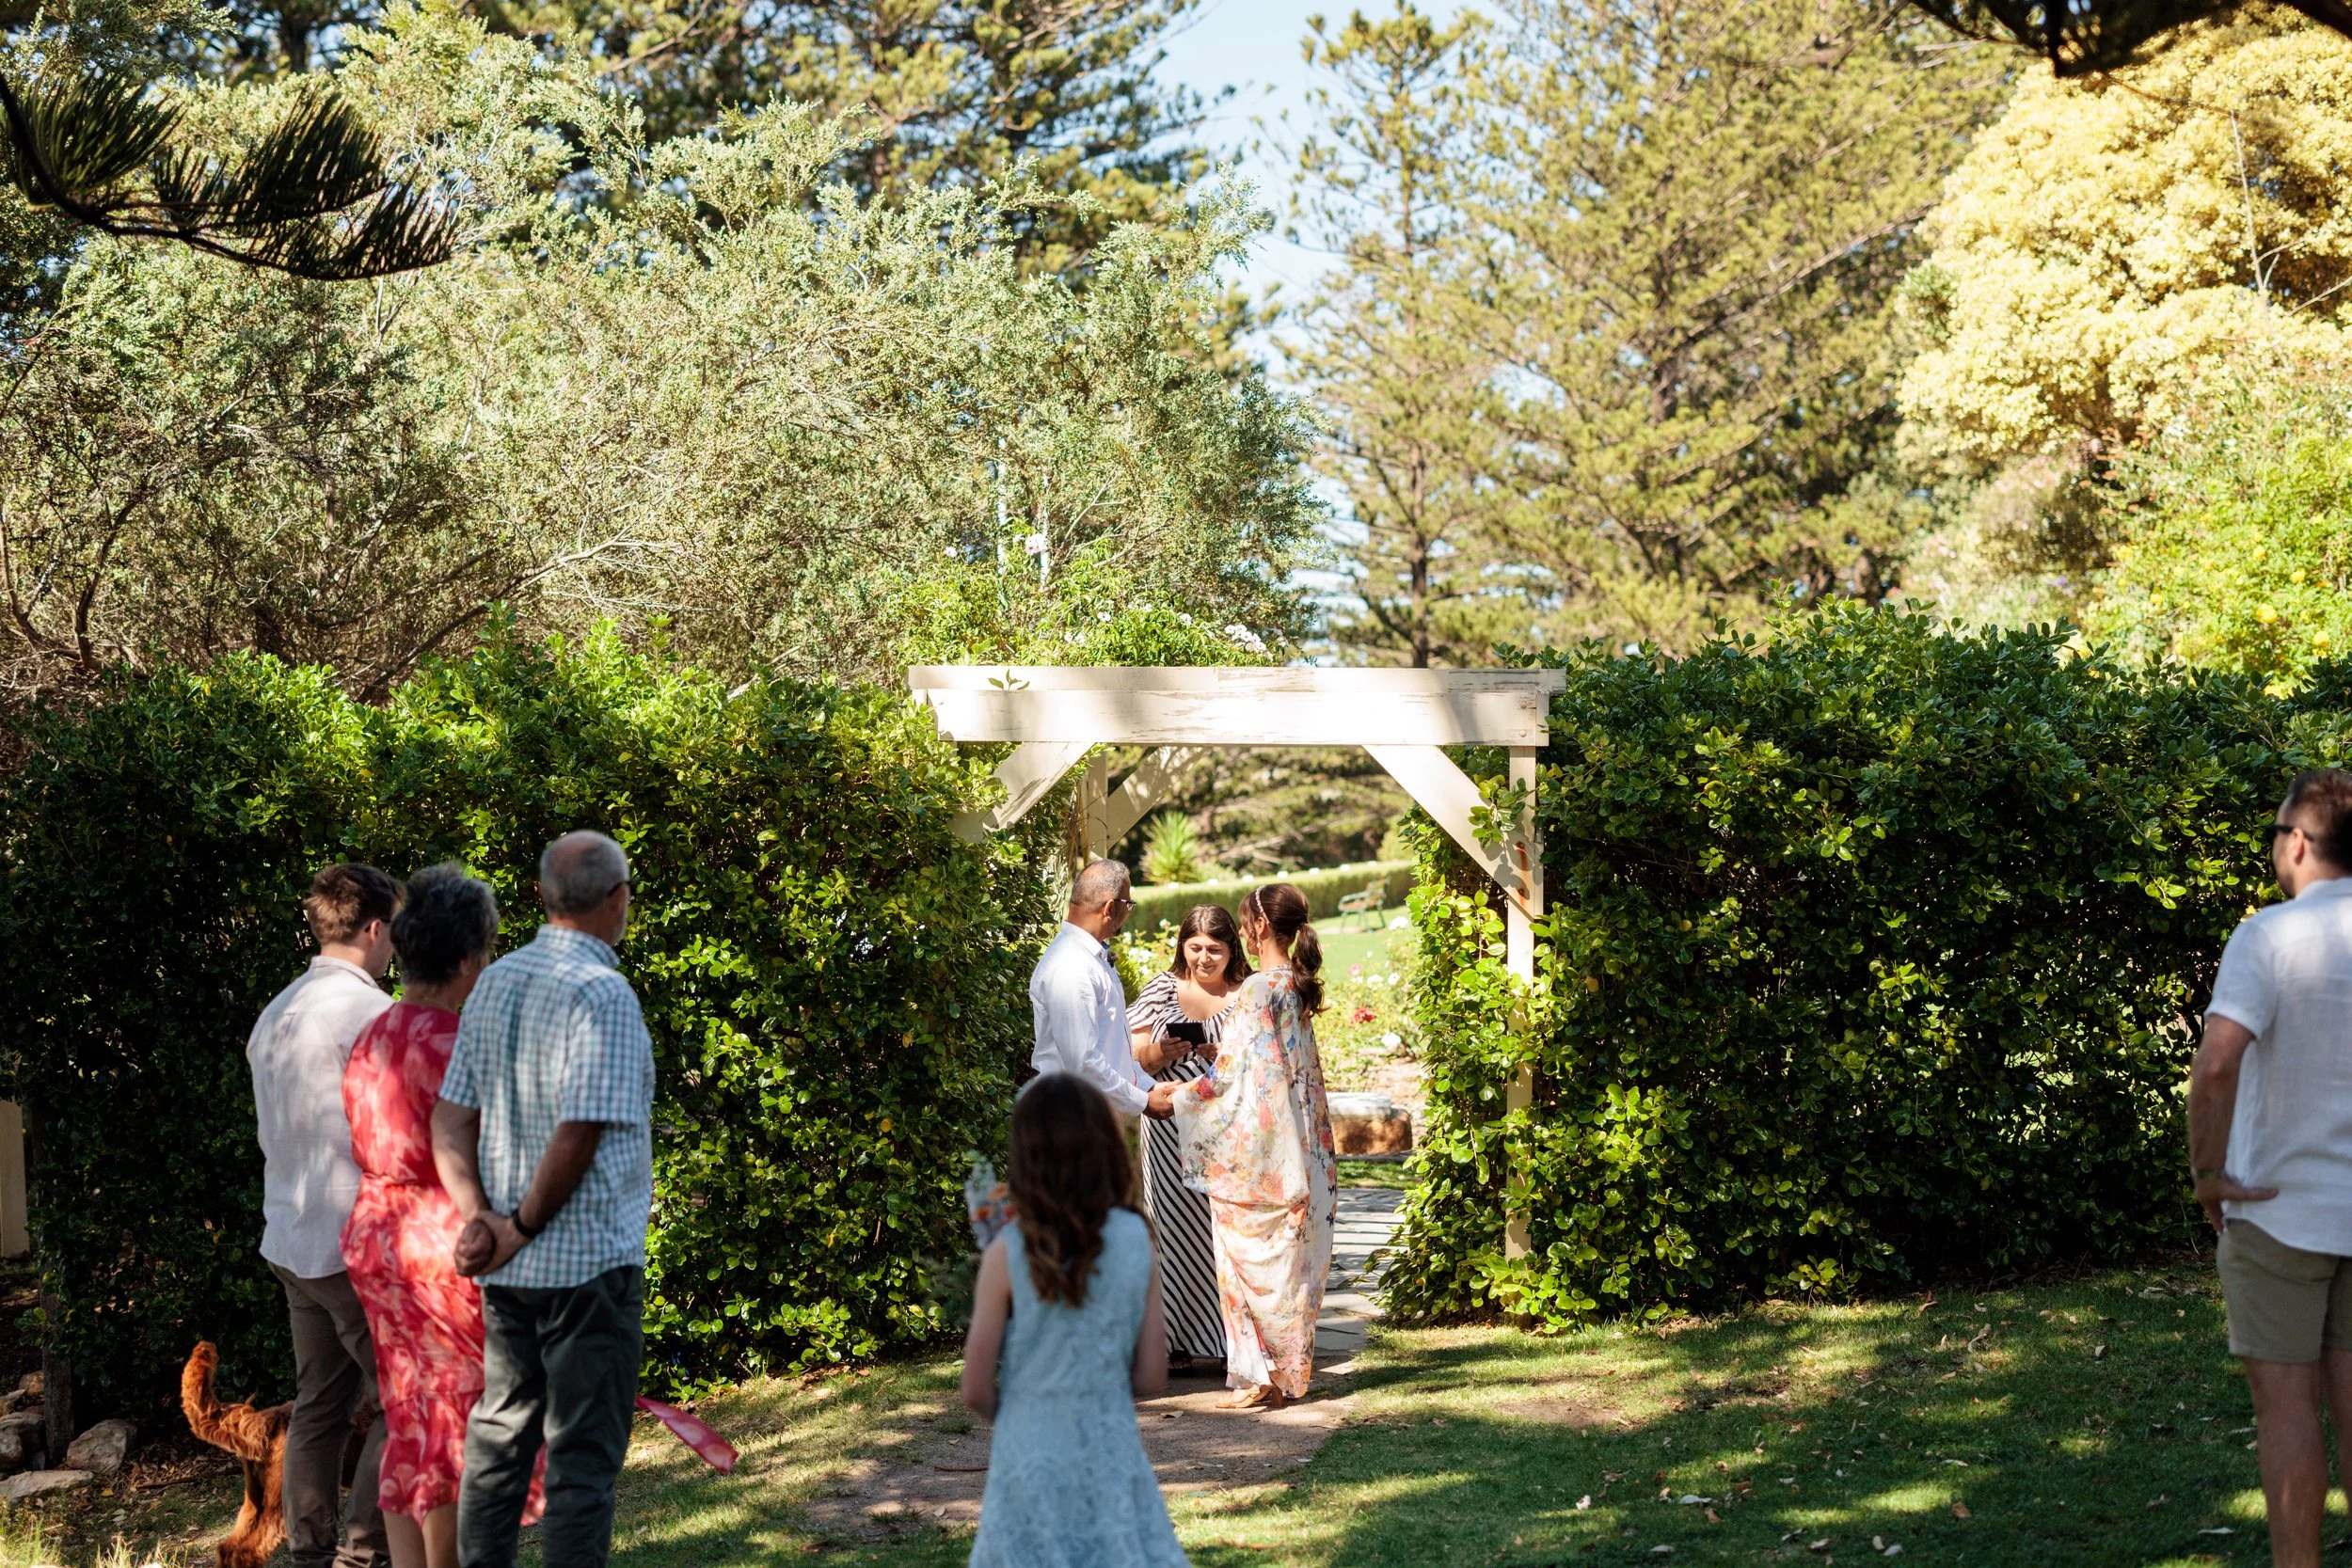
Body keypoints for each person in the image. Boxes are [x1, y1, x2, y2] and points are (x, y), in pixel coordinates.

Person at [430, 832, 656, 1568]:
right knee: (581, 1462)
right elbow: (579, 1131)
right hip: (584, 1264)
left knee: (498, 1441)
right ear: (618, 898)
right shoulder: (603, 992)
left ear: (541, 897)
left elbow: (450, 1117)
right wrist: (517, 1224)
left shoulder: (495, 981)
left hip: (509, 1268)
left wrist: (480, 1221)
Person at [342, 865, 543, 1568]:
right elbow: (494, 1163)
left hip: (377, 1241)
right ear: (465, 957)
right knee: (459, 1430)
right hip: (442, 1248)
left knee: (410, 1418)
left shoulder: (373, 1036)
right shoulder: (456, 1046)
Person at [2189, 767, 2352, 1568]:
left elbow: (2217, 1065)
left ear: (2297, 841)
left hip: (2277, 1212)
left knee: (2287, 1410)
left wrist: (2208, 1174)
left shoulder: (2270, 934)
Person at [961, 1073, 1188, 1568]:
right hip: (1109, 1448)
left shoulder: (1008, 1252)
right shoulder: (1135, 1238)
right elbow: (1152, 1375)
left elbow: (976, 1388)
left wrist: (1028, 1419)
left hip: (1028, 1452)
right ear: (1105, 1147)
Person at [249, 863, 403, 1568]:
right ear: (375, 928)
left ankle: (308, 1553)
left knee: (320, 1401)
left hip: (288, 1231)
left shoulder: (274, 1012)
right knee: (409, 1400)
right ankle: (366, 1550)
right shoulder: (371, 1014)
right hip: (353, 1242)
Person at [1170, 882, 1337, 1411]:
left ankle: (1260, 1375)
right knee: (1289, 1262)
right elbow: (1279, 1068)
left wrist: (1174, 1097)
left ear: (1260, 926)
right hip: (1304, 1144)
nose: (1242, 929)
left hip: (1260, 1152)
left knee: (1244, 1260)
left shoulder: (1257, 991)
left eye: (1245, 921)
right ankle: (1280, 1374)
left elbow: (1232, 1080)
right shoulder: (1294, 984)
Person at [1126, 904, 1250, 1371]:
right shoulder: (1160, 990)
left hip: (1231, 1129)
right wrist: (1159, 1053)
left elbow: (1267, 1054)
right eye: (1194, 947)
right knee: (1171, 1232)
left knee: (1226, 1231)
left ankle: (1230, 1340)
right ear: (1182, 946)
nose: (1203, 958)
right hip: (1168, 1127)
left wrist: (1227, 1053)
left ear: (1231, 949)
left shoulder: (1248, 991)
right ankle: (1171, 1341)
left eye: (1214, 950)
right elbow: (1131, 1056)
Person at [1030, 859, 1187, 1121]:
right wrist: (1143, 1101)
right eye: (1128, 904)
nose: (1128, 912)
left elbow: (1110, 1048)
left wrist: (1148, 1086)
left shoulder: (1090, 956)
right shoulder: (1071, 965)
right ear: (1110, 907)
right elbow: (1082, 1062)